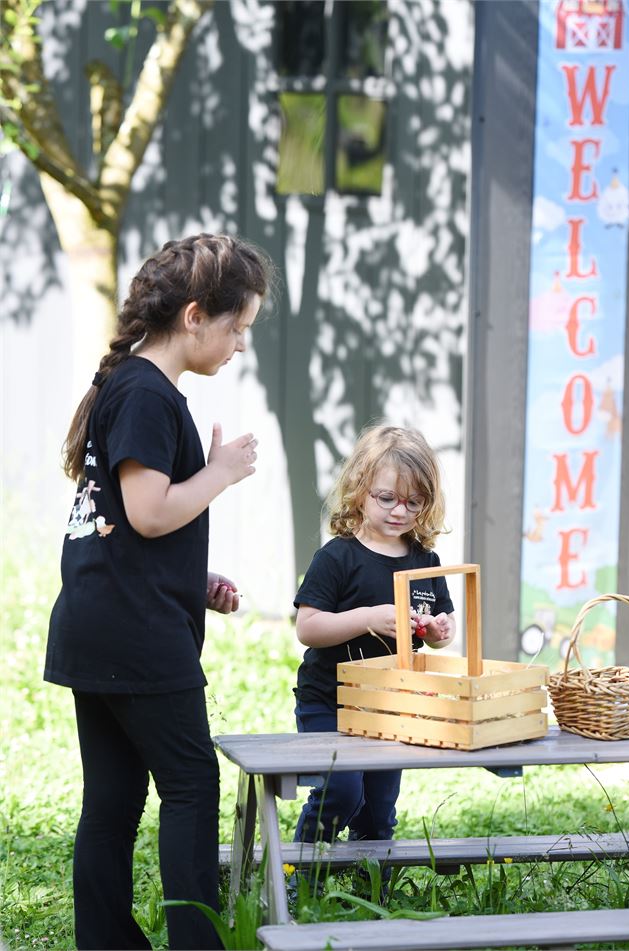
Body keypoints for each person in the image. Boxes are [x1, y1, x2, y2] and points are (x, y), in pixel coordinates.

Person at [44, 233, 273, 950]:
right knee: (189, 784)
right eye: (237, 327)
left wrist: (192, 580)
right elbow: (148, 510)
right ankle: (195, 944)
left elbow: (124, 525)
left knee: (112, 801)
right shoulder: (147, 391)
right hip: (138, 637)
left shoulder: (129, 387)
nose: (239, 344)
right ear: (196, 314)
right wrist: (223, 470)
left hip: (98, 626)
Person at [293, 424, 456, 852]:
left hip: (391, 706)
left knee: (378, 808)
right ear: (359, 490)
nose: (399, 512)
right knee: (344, 793)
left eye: (413, 502)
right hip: (329, 702)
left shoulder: (425, 562)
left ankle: (370, 890)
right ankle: (300, 871)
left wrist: (439, 630)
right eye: (386, 498)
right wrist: (366, 618)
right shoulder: (337, 557)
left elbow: (441, 630)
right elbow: (307, 628)